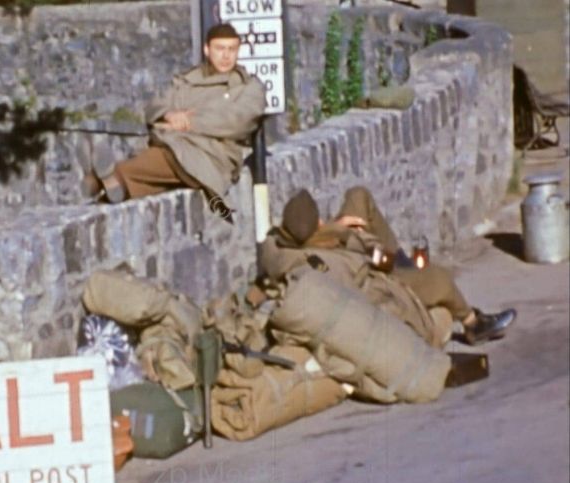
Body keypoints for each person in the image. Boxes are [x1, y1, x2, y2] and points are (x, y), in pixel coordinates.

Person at [271, 187, 517, 346]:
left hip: (361, 254)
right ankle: (473, 323)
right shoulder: (323, 257)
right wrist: (344, 233)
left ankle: (405, 263)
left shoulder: (290, 245)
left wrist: (338, 228)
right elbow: (364, 262)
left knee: (359, 196)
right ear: (319, 224)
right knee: (439, 279)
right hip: (376, 276)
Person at [84, 23, 266, 212]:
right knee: (161, 157)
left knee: (168, 155)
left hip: (213, 154)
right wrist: (169, 115)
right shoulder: (187, 81)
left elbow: (237, 121)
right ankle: (115, 187)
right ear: (207, 49)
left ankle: (103, 179)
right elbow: (156, 104)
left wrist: (188, 124)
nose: (226, 55)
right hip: (173, 142)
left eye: (232, 49)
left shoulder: (249, 88)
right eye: (220, 49)